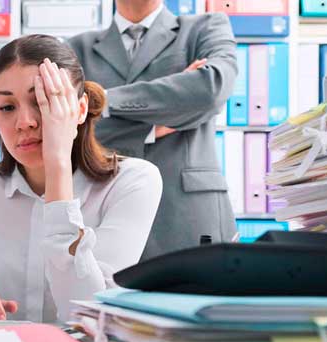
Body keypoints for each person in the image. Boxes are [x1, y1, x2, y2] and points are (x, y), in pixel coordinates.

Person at [0, 35, 163, 323]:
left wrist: (58, 163)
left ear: (80, 109)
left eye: (41, 101)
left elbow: (91, 318)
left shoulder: (133, 182)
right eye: (7, 107)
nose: (24, 121)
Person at [68, 0, 239, 258]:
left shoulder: (205, 27)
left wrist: (101, 100)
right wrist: (153, 126)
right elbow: (67, 128)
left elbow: (209, 90)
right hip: (102, 209)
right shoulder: (75, 49)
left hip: (188, 214)